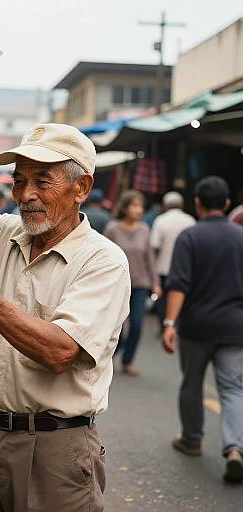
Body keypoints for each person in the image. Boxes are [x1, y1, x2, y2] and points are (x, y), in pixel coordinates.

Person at [0, 68, 130, 512]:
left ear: (81, 188)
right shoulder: (3, 233)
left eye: (42, 180)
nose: (26, 194)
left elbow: (58, 352)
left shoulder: (103, 260)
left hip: (55, 450)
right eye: (19, 180)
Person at [162, 176, 243, 484]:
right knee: (234, 388)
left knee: (192, 383)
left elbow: (179, 284)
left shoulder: (190, 237)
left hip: (196, 327)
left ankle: (192, 440)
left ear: (197, 202)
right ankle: (235, 447)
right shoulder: (241, 236)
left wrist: (169, 323)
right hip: (235, 328)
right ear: (225, 204)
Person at [104, 190, 161, 376]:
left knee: (136, 324)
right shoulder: (113, 228)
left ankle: (127, 361)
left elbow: (150, 258)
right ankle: (111, 353)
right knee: (117, 326)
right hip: (117, 284)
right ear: (125, 207)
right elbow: (103, 256)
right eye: (134, 205)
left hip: (140, 285)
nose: (138, 210)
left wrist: (155, 283)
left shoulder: (144, 229)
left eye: (140, 206)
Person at [150, 191, 195, 327]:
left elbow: (154, 245)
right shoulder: (190, 220)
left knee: (163, 300)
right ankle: (178, 324)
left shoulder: (161, 220)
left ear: (165, 206)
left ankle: (165, 326)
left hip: (164, 268)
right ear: (181, 205)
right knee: (183, 297)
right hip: (185, 268)